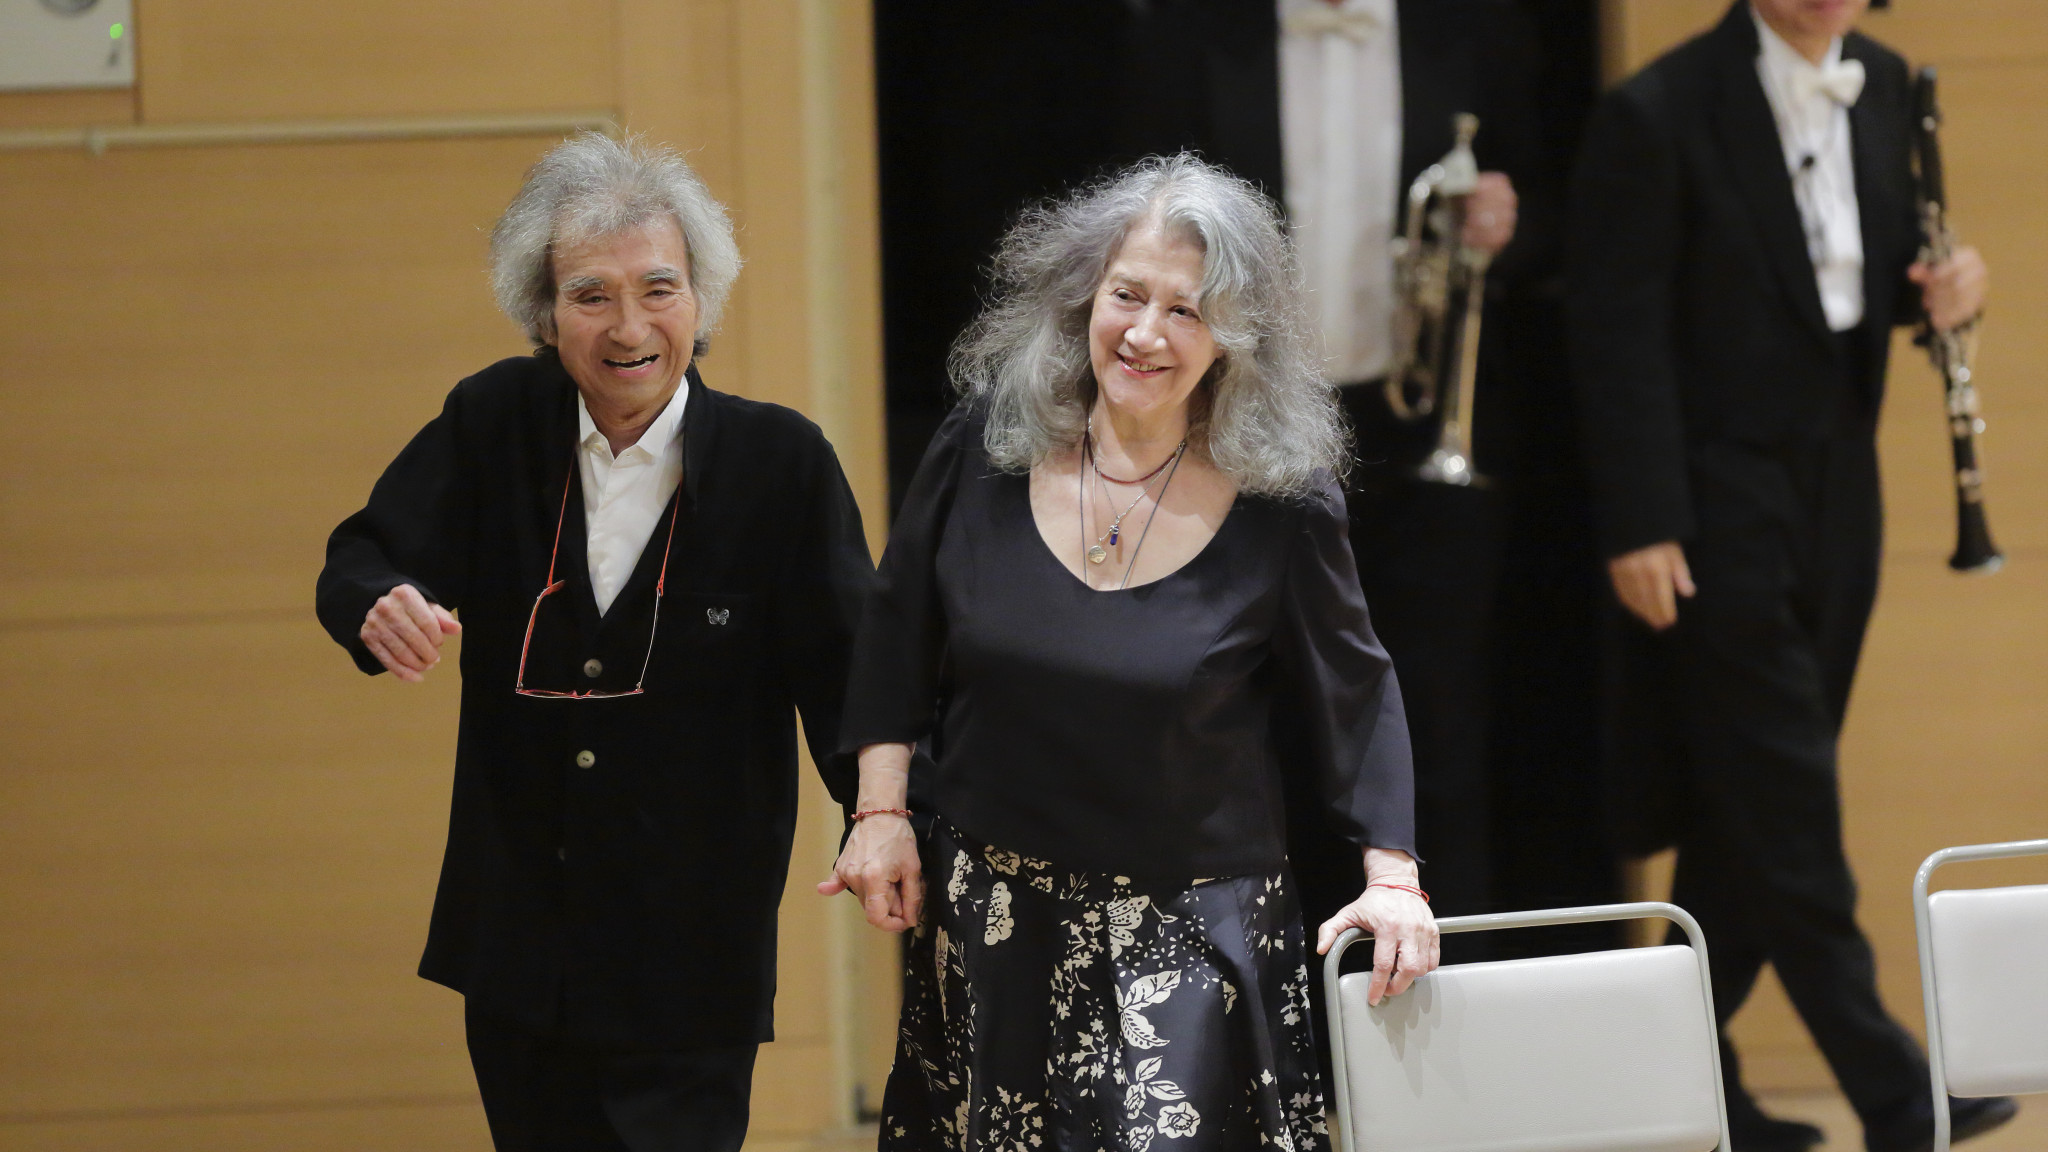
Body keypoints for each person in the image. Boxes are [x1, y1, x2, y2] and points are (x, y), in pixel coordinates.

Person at [824, 154, 1437, 1152]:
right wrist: (881, 811)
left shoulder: (1281, 497)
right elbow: (898, 635)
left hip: (1194, 934)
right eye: (1127, 295)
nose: (1145, 334)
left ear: (1234, 336)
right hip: (995, 919)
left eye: (1186, 311)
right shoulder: (987, 441)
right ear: (1082, 298)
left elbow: (1353, 692)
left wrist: (1393, 875)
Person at [314, 133, 873, 1152]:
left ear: (701, 297)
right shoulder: (493, 422)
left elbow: (852, 674)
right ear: (543, 309)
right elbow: (365, 554)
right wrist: (376, 599)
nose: (628, 327)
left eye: (657, 289)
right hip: (520, 935)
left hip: (692, 940)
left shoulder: (779, 464)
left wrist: (881, 813)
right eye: (589, 295)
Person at [1568, 3, 2014, 1151]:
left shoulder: (1887, 81)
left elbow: (1878, 273)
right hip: (1712, 502)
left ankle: (1656, 1071)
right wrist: (1641, 521)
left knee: (1745, 816)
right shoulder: (1656, 111)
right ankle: (1894, 1088)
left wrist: (1947, 293)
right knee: (1787, 803)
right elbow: (1613, 331)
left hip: (1837, 492)